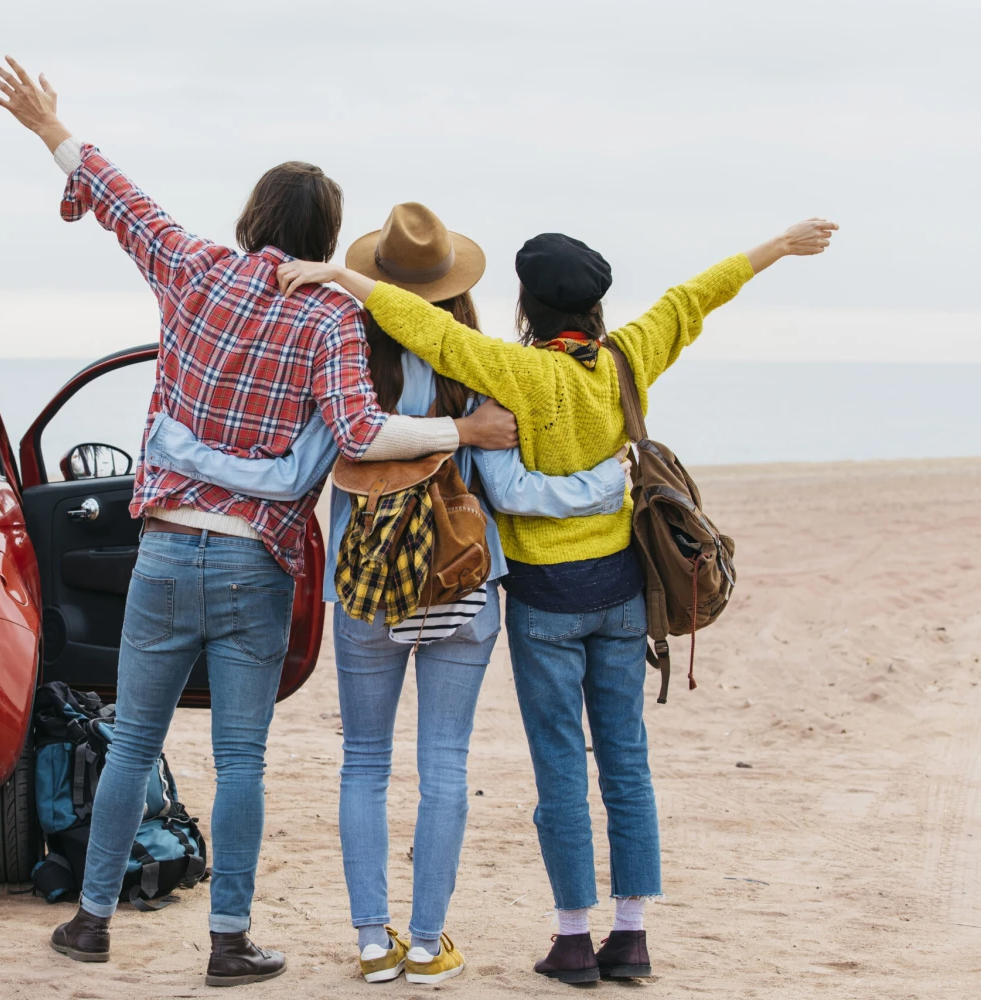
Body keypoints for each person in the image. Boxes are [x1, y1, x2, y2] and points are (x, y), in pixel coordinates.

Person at [0, 59, 513, 988]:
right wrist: (461, 428)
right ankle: (229, 941)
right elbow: (357, 432)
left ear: (251, 218)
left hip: (161, 552)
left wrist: (49, 128)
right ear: (327, 239)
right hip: (251, 564)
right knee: (240, 761)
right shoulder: (328, 320)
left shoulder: (191, 268)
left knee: (133, 743)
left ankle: (91, 922)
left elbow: (117, 198)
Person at [275, 217, 839, 983]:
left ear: (525, 308)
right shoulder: (626, 359)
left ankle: (574, 938)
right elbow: (695, 298)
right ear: (596, 308)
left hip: (544, 605)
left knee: (559, 771)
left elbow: (422, 328)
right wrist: (776, 246)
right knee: (627, 762)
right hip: (622, 596)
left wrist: (345, 278)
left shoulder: (514, 371)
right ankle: (631, 935)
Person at [141, 202, 630, 985]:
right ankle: (430, 944)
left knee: (363, 763)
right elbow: (507, 482)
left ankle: (374, 941)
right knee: (445, 764)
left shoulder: (343, 347)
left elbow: (309, 454)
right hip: (463, 584)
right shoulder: (479, 365)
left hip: (367, 586)